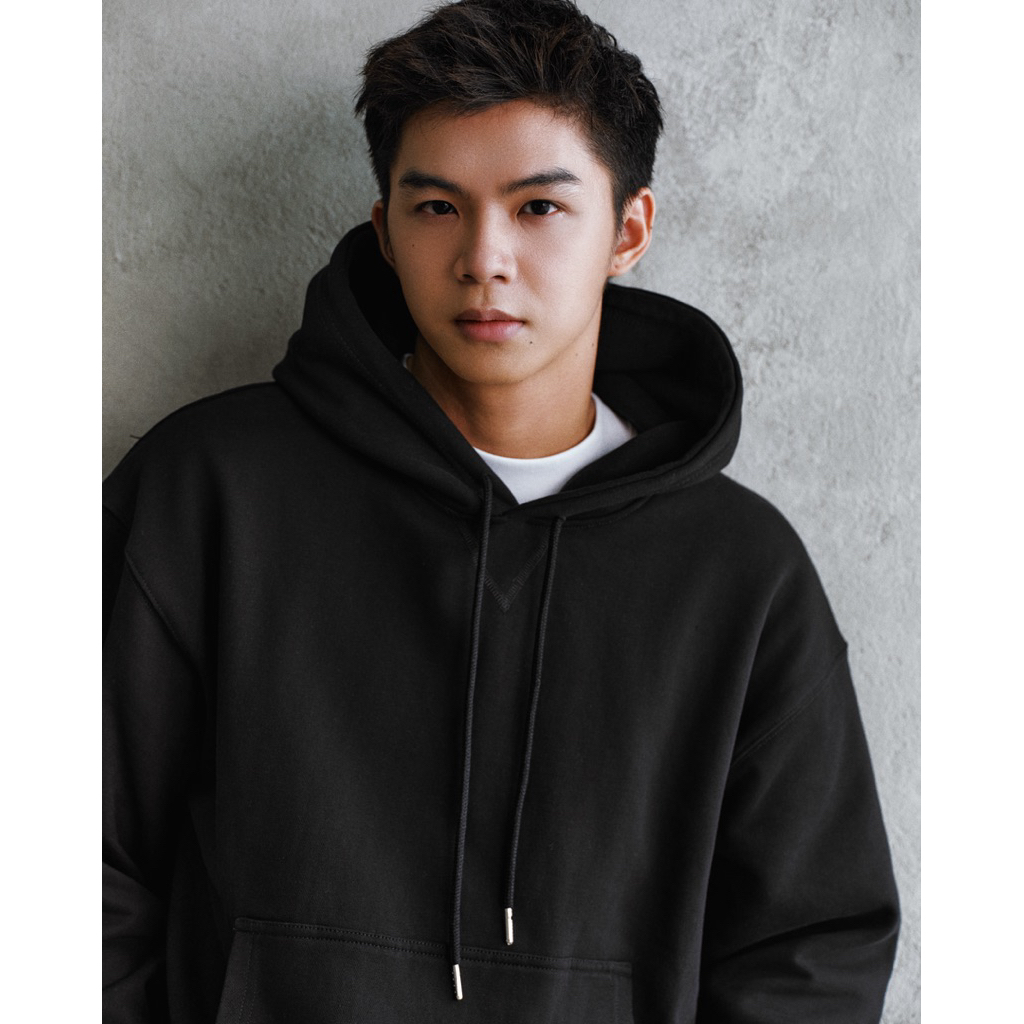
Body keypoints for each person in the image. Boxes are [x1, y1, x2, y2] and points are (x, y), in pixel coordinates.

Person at [102, 0, 900, 1020]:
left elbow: (812, 945)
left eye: (538, 209)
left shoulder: (738, 571)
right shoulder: (208, 491)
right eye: (438, 206)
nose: (484, 256)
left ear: (627, 231)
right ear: (385, 230)